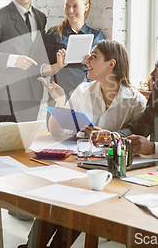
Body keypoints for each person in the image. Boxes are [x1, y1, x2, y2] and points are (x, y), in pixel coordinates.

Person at [22, 39, 147, 248]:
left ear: (111, 64)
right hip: (78, 165)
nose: (86, 60)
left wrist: (110, 137)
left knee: (75, 202)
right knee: (55, 196)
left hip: (108, 174)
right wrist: (60, 103)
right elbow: (56, 130)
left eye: (94, 57)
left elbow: (139, 145)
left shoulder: (136, 101)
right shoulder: (83, 91)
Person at [43, 0, 105, 100]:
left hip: (88, 97)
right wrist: (58, 66)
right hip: (59, 96)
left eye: (75, 6)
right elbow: (43, 71)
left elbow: (104, 71)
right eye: (67, 5)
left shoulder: (97, 36)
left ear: (86, 7)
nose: (70, 10)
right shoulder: (54, 34)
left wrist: (91, 63)